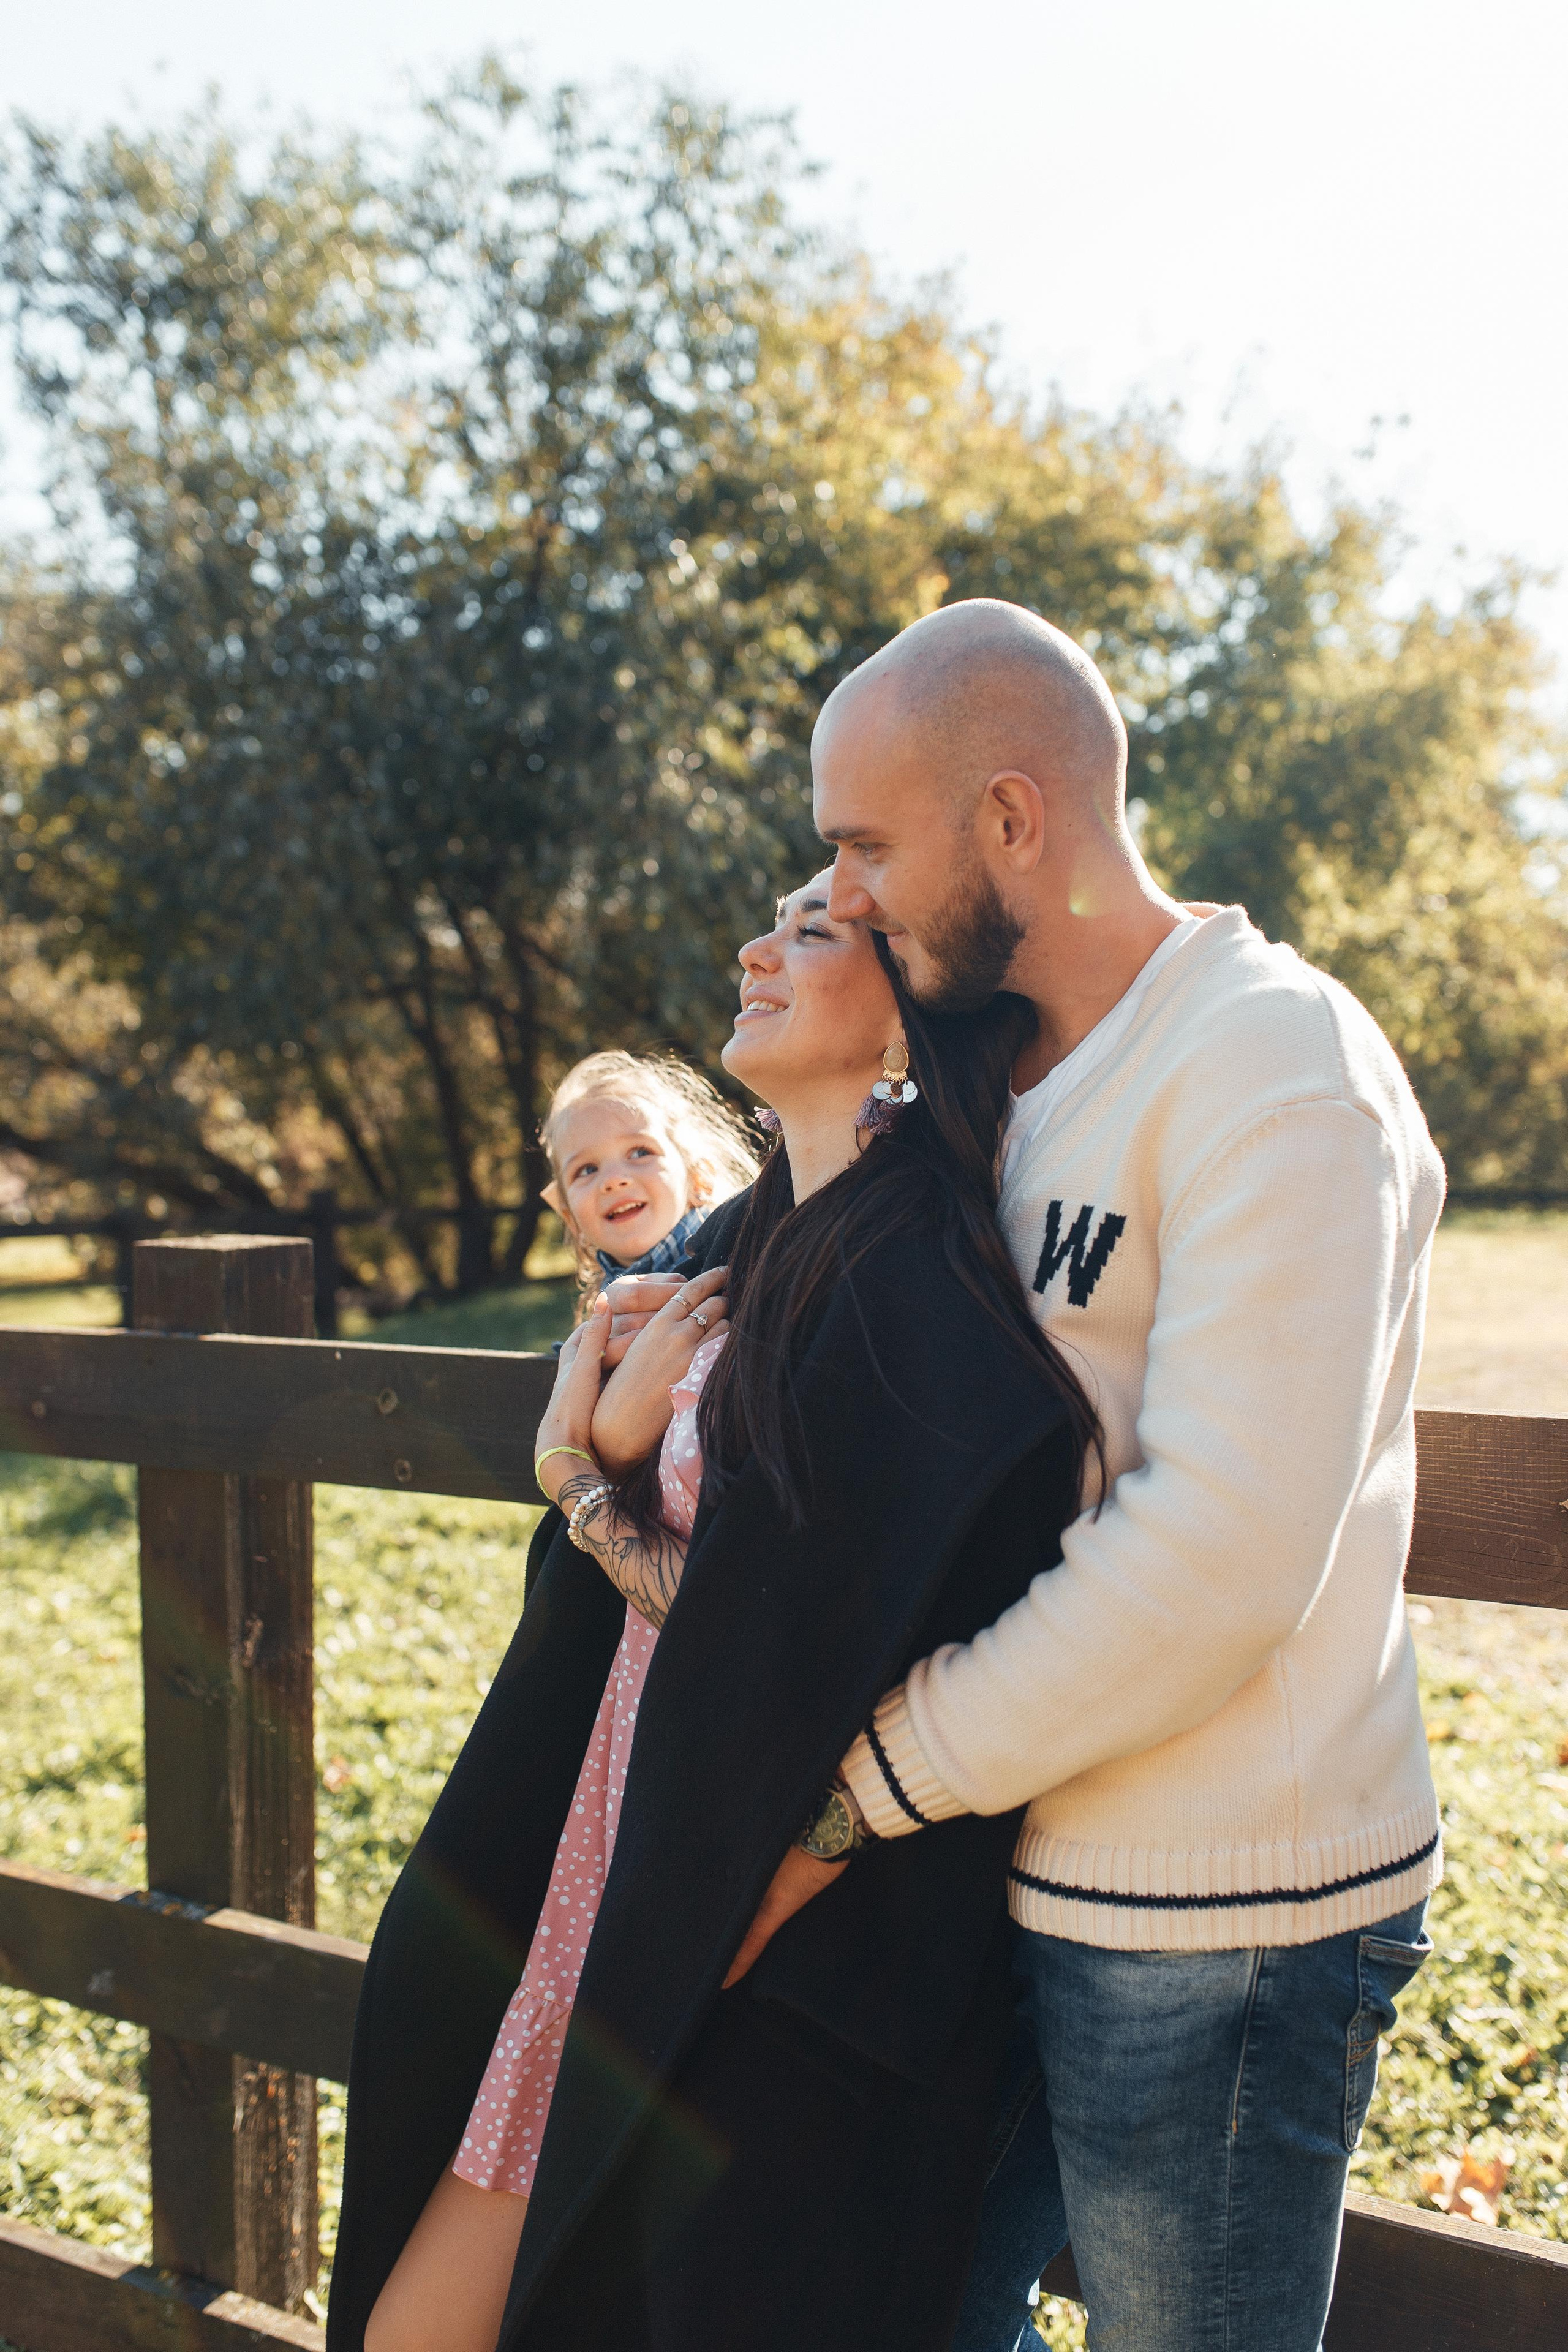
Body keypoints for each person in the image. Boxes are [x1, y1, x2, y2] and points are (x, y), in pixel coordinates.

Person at [698, 598, 1444, 2351]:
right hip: (999, 1865)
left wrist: (861, 1790)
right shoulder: (1001, 1072)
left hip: (1217, 1918)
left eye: (868, 845)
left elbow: (1219, 1560)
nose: (849, 895)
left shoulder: (1274, 1067)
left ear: (1016, 821)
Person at [328, 873, 1101, 2352]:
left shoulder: (910, 1269)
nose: (755, 943)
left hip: (733, 1906)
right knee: (415, 2323)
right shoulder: (747, 1240)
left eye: (814, 931)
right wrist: (604, 1442)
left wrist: (576, 1468)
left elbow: (786, 1645)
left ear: (904, 1004)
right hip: (603, 1849)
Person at [539, 1048, 758, 1309]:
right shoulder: (604, 1307)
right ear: (570, 1219)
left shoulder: (737, 1264)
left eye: (640, 1152)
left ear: (700, 1177)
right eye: (586, 1169)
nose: (614, 1180)